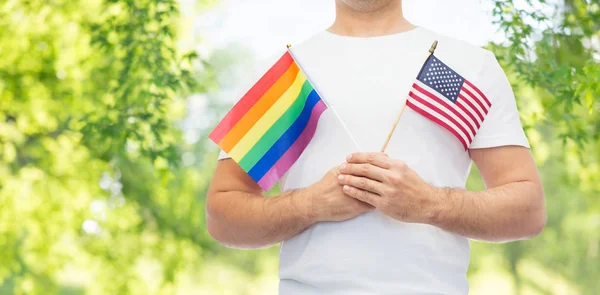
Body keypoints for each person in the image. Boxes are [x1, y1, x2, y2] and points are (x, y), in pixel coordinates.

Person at [206, 0, 546, 294]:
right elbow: (222, 215)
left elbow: (528, 209)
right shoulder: (284, 72)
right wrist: (309, 204)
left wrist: (427, 203)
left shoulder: (472, 65)